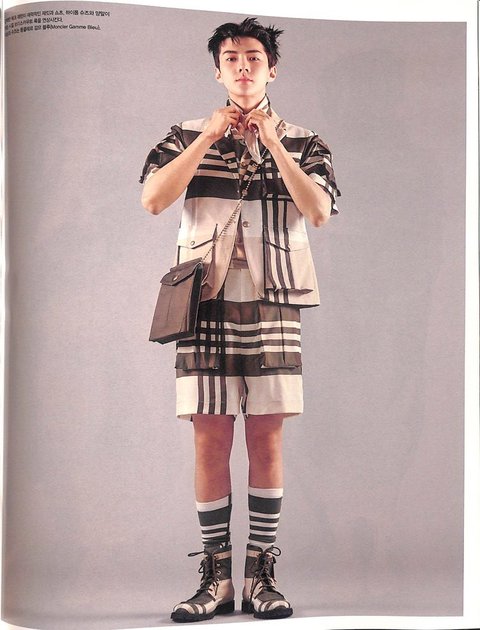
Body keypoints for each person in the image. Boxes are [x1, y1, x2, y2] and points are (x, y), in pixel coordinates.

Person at [139, 16, 341, 623]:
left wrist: (273, 142)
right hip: (203, 299)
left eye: (254, 57)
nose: (243, 66)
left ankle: (260, 575)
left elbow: (319, 211)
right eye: (231, 58)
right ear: (217, 70)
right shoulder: (185, 134)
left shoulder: (305, 141)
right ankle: (217, 577)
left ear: (272, 69)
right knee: (209, 432)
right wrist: (208, 136)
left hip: (275, 295)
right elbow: (153, 199)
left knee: (266, 433)